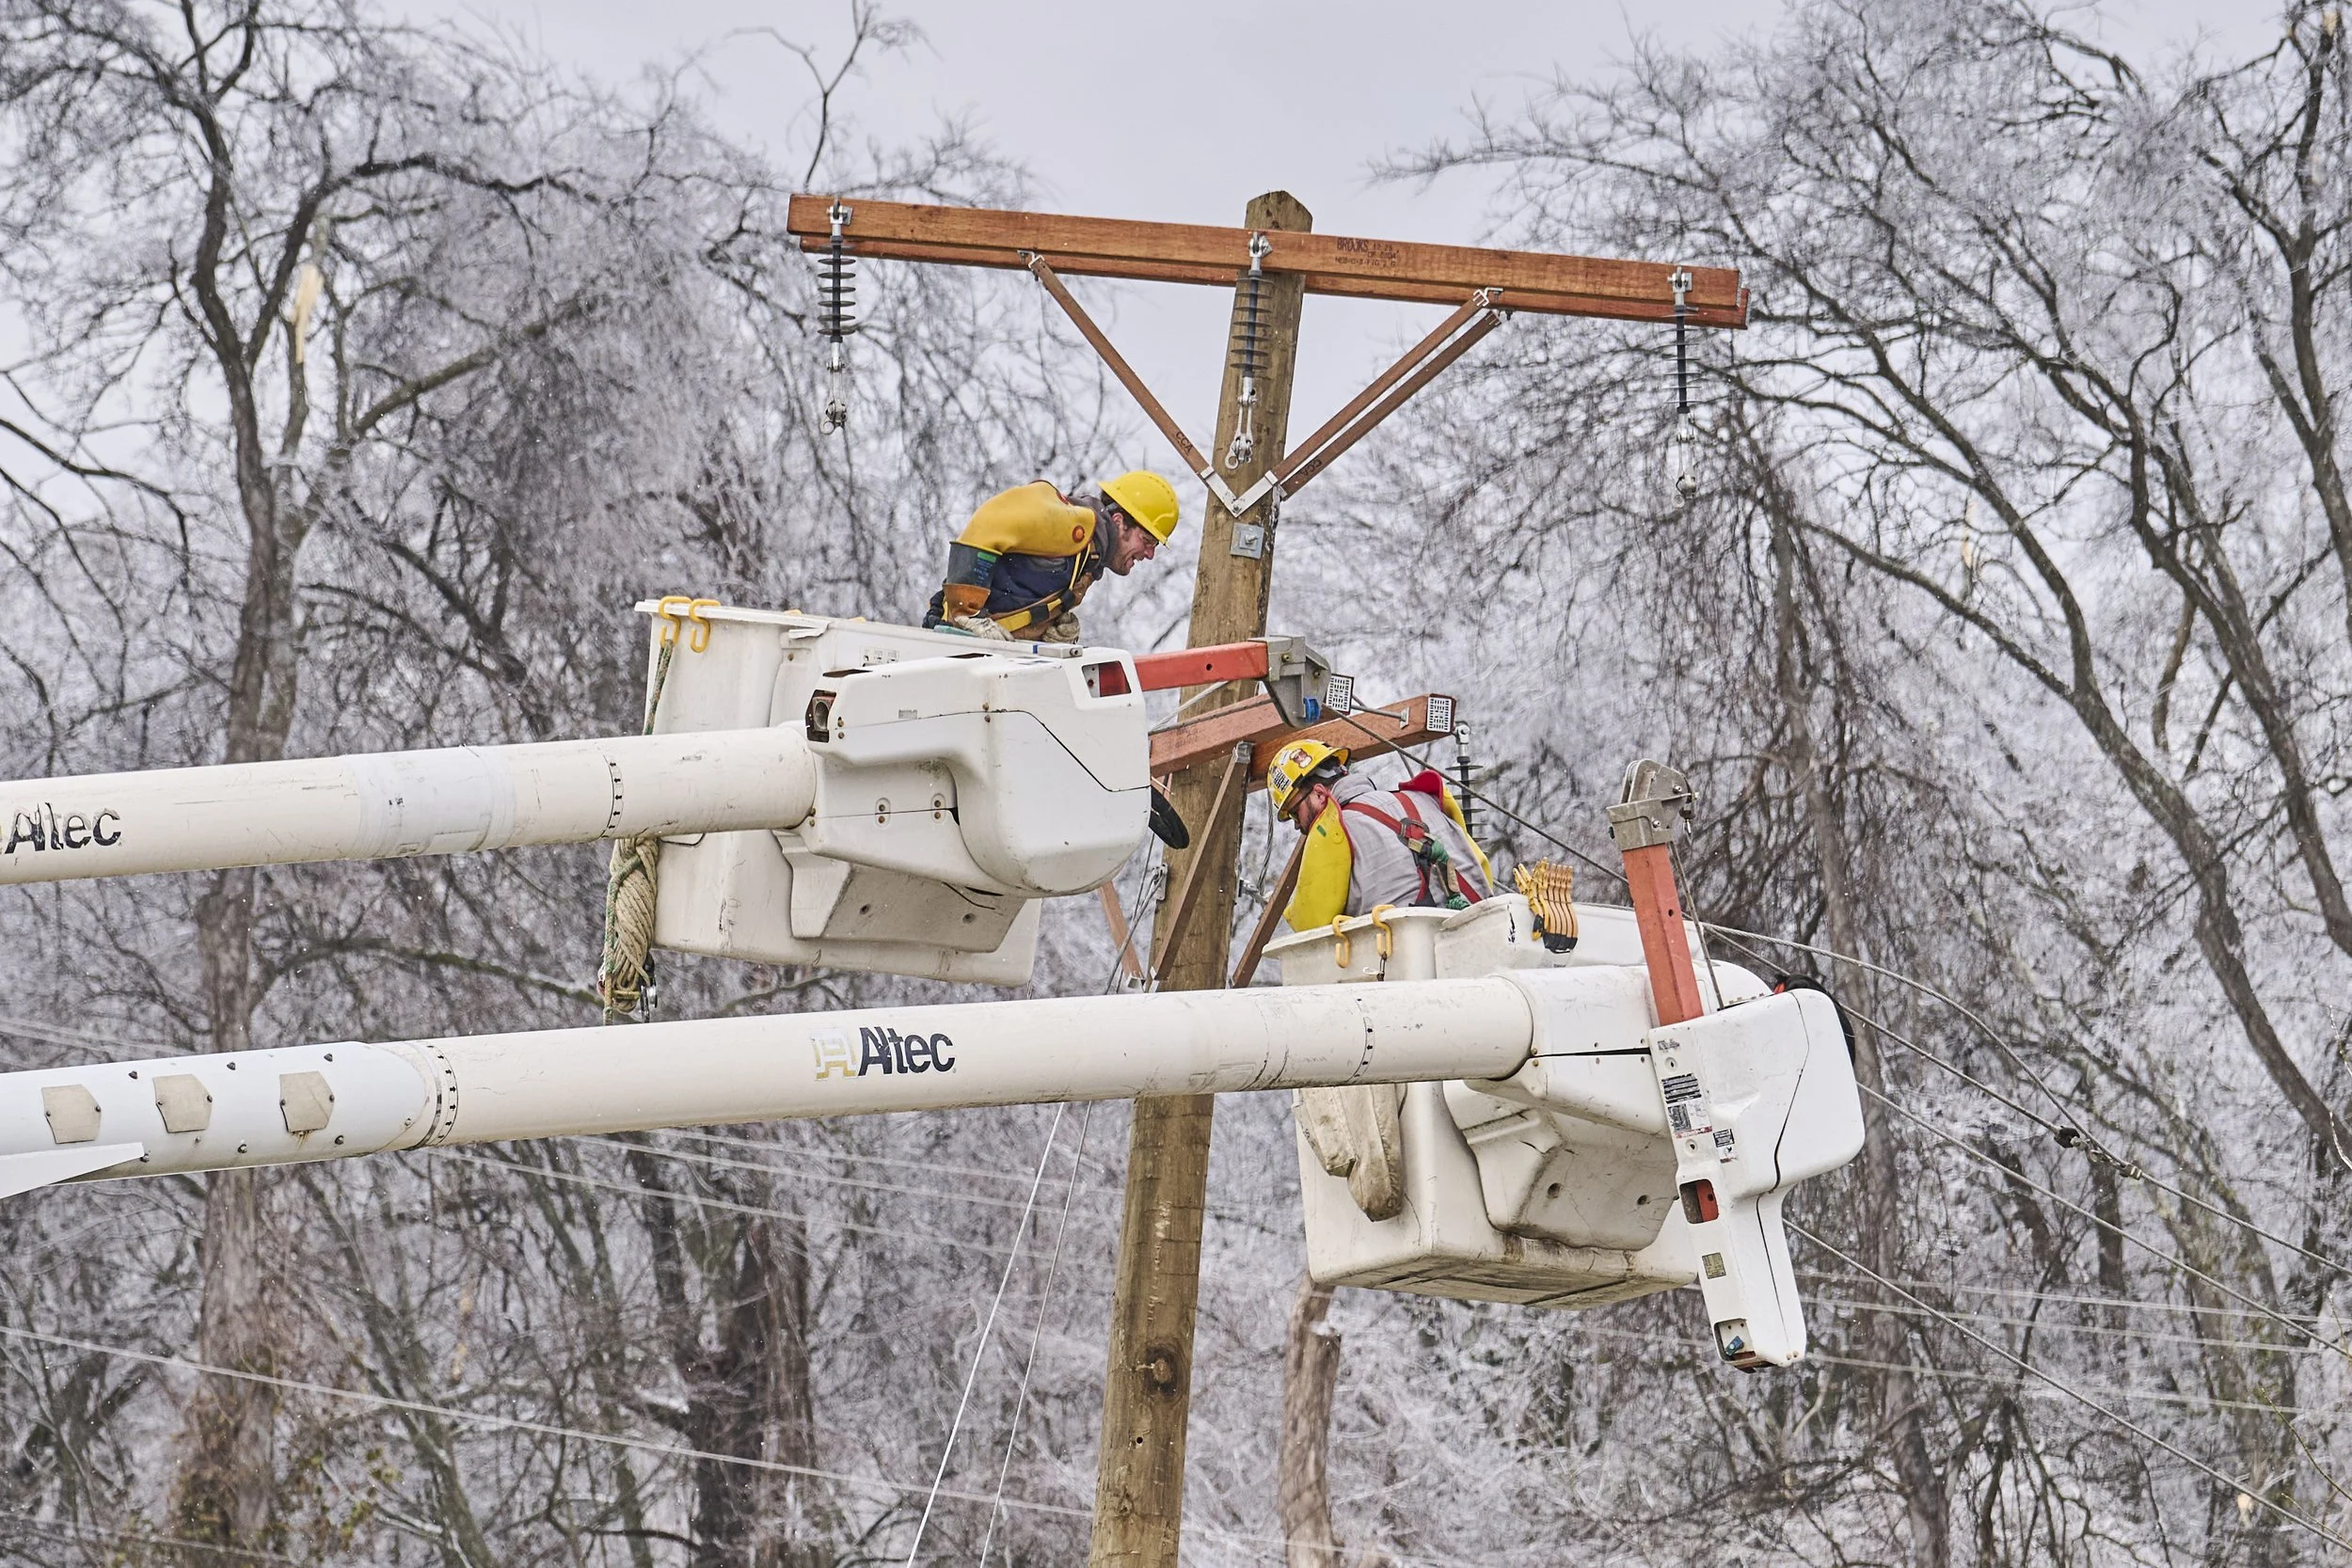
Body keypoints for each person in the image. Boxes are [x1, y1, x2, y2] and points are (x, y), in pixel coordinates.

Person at [921, 470, 1181, 644]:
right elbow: (989, 523)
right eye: (1147, 541)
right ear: (1119, 521)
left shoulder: (1087, 557)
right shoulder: (1071, 526)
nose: (1149, 554)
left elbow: (1018, 586)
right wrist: (967, 611)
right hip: (953, 647)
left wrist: (1046, 627)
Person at [1265, 740, 1495, 931]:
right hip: (1483, 931)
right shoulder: (1423, 800)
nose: (1298, 826)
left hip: (1409, 961)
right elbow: (1481, 869)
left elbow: (1310, 923)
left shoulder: (1332, 829)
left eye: (1296, 813)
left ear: (1319, 794)